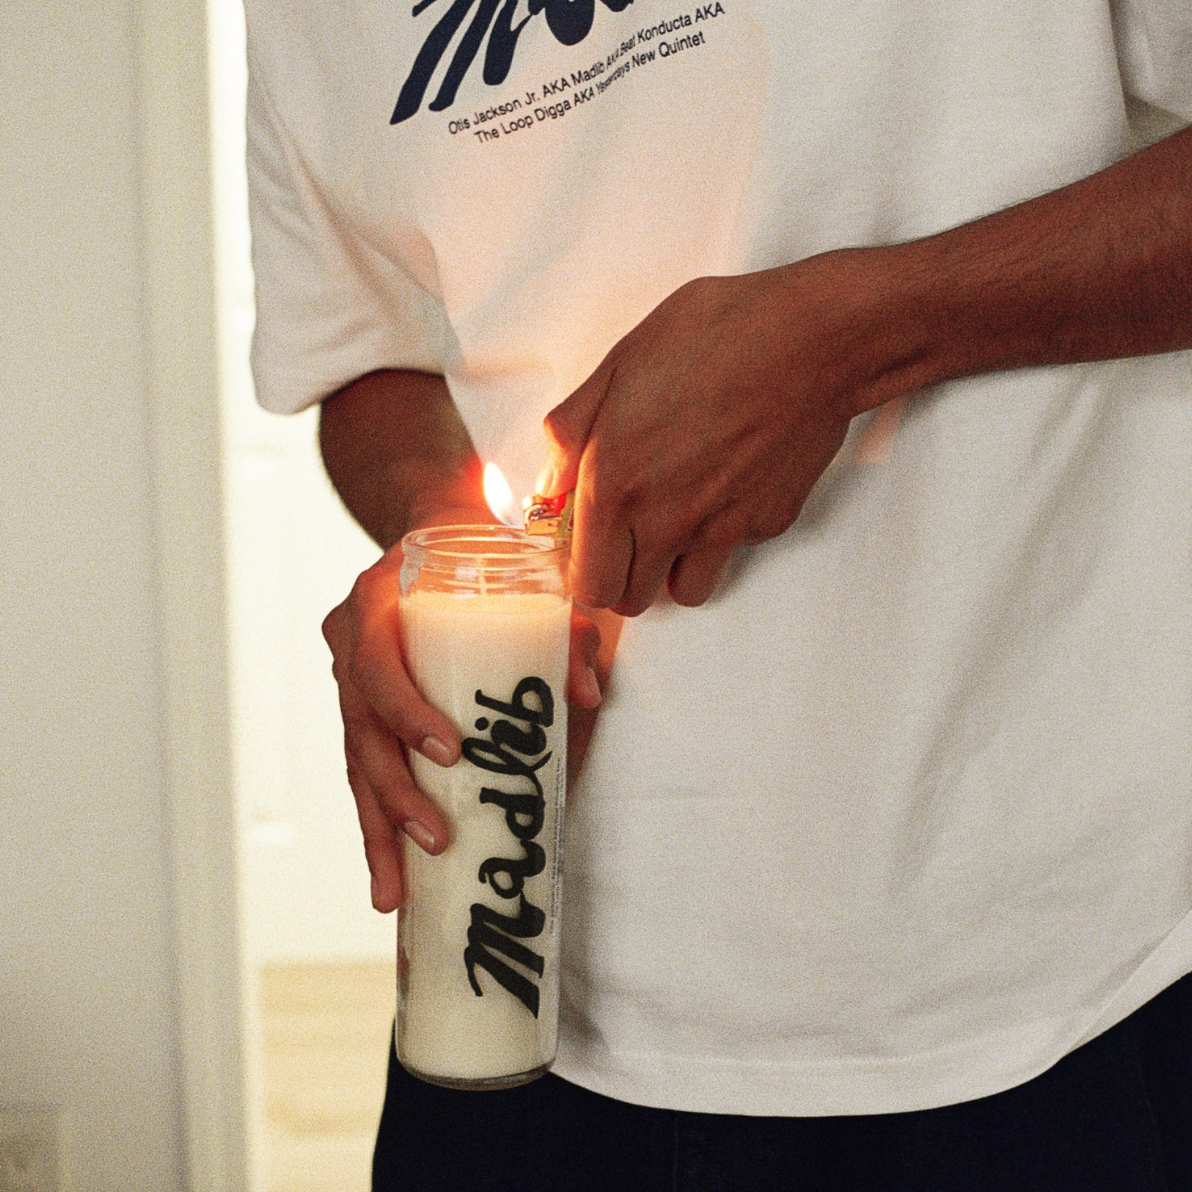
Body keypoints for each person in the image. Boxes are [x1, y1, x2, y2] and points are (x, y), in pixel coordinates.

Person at [244, 1, 1192, 1187]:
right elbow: (362, 357)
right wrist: (459, 558)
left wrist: (859, 335)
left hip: (1056, 989)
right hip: (527, 996)